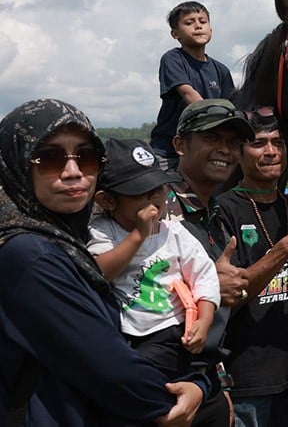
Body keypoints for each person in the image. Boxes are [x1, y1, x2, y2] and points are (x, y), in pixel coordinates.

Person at [0, 98, 207, 426]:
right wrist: (200, 388)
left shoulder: (66, 240)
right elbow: (112, 369)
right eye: (50, 158)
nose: (73, 172)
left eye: (86, 157)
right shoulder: (30, 254)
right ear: (19, 165)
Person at [88, 138, 223, 424]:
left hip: (168, 331)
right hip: (126, 333)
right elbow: (99, 272)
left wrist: (205, 320)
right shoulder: (102, 232)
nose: (155, 198)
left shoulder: (174, 232)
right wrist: (138, 235)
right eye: (141, 192)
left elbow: (204, 276)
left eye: (159, 188)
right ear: (107, 200)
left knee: (138, 374)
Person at [212, 105, 288, 427]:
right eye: (259, 143)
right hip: (245, 381)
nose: (271, 151)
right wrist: (286, 248)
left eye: (278, 142)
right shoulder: (223, 211)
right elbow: (232, 293)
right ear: (239, 152)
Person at [165, 97, 257, 424]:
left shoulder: (214, 214)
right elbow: (130, 294)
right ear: (180, 145)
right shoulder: (156, 208)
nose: (225, 150)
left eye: (233, 142)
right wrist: (210, 287)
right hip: (165, 385)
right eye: (211, 137)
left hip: (205, 385)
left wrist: (219, 383)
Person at [150, 1, 236, 170]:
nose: (198, 26)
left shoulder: (221, 70)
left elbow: (231, 107)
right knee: (160, 186)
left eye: (203, 21)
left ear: (211, 30)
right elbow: (188, 94)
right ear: (175, 34)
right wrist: (216, 120)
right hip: (169, 151)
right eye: (189, 23)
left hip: (206, 151)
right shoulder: (173, 59)